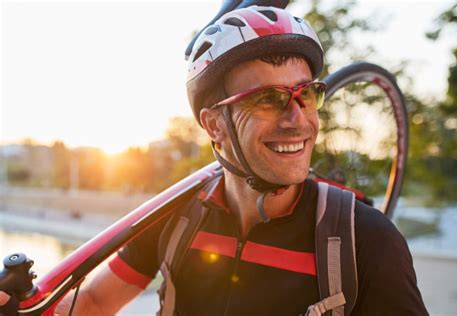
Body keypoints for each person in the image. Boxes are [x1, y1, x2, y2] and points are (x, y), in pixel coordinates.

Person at [2, 5, 428, 316]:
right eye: (268, 99)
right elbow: (93, 302)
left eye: (306, 93)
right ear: (213, 124)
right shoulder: (174, 216)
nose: (298, 120)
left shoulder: (366, 241)